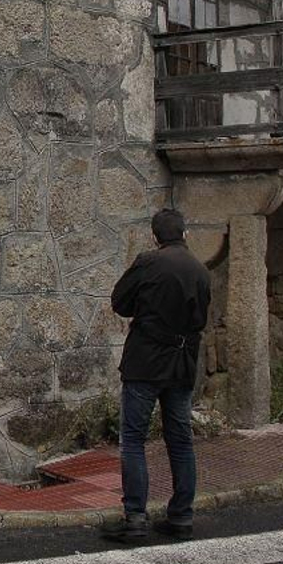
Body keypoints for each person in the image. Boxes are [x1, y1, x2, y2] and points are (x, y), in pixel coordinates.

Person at [101, 208, 213, 544]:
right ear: (185, 234)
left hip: (145, 362)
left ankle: (135, 517)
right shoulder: (200, 270)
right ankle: (181, 515)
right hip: (181, 364)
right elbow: (200, 319)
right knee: (180, 440)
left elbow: (120, 301)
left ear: (155, 236)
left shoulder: (148, 263)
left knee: (133, 439)